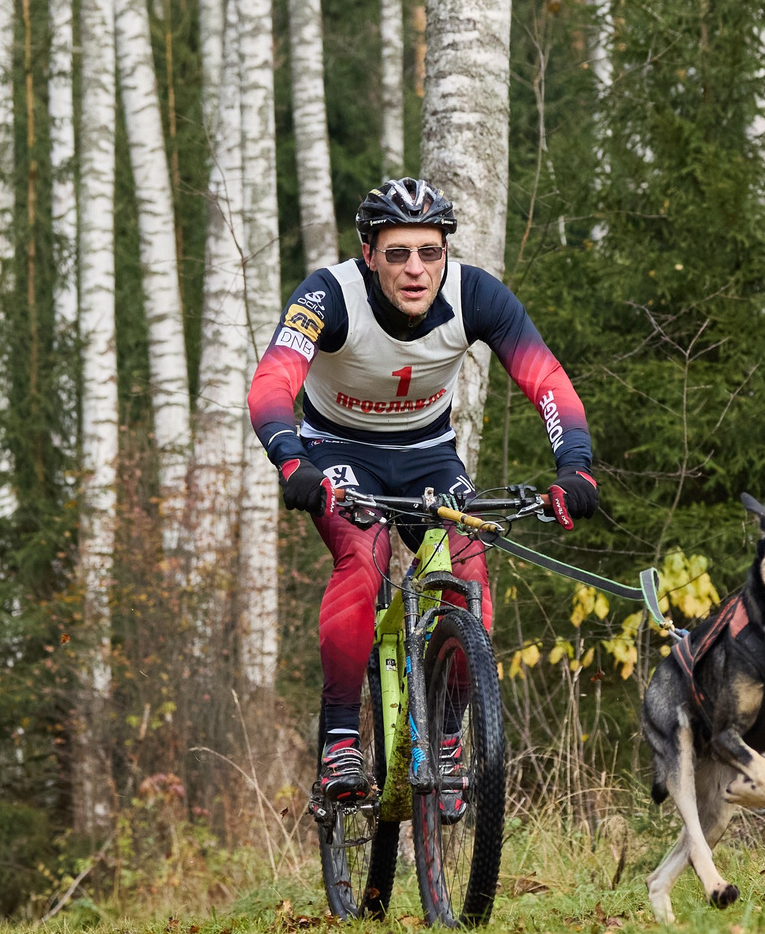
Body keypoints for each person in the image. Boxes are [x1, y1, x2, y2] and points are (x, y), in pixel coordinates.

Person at [249, 177, 600, 804]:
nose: (416, 269)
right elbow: (272, 385)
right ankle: (339, 740)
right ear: (368, 253)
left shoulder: (476, 296)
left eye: (430, 252)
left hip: (428, 456)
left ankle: (443, 736)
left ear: (446, 252)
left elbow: (545, 377)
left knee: (467, 572)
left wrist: (575, 467)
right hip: (337, 451)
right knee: (363, 561)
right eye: (398, 253)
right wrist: (291, 462)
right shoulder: (329, 296)